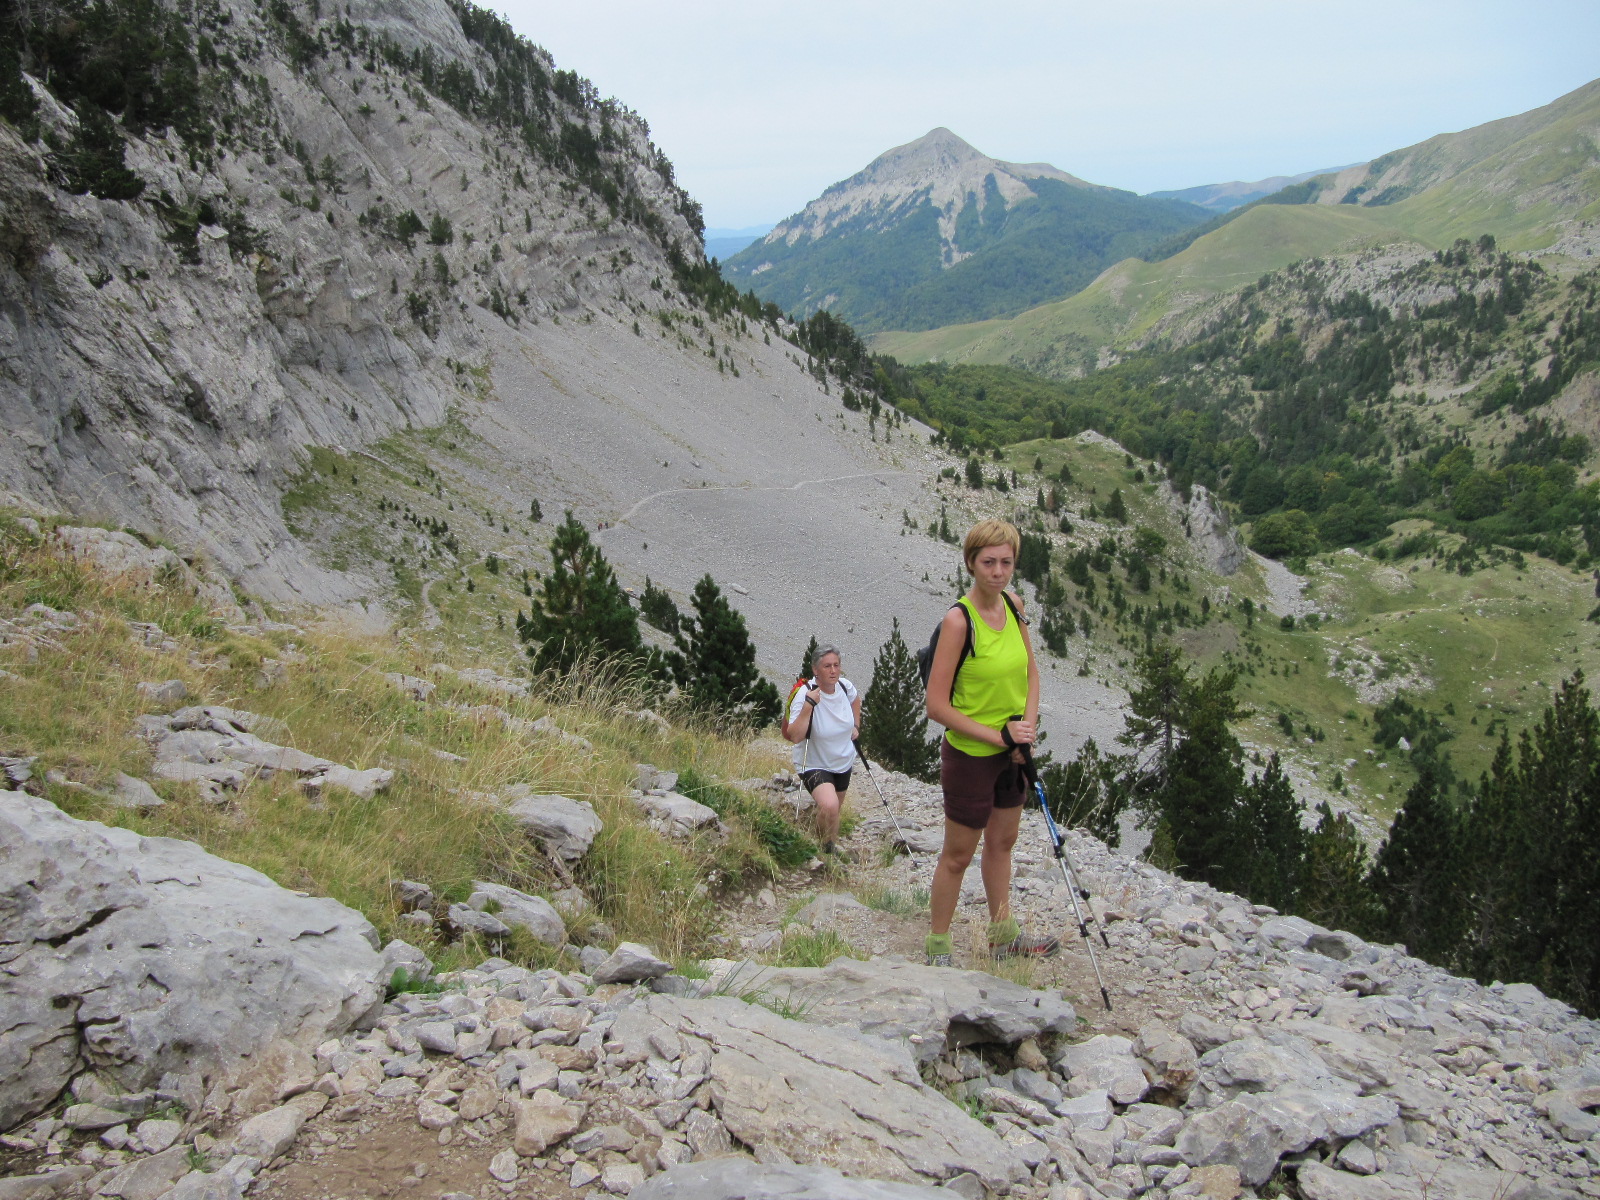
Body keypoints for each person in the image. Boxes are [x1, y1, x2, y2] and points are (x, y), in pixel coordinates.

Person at [923, 519, 1060, 966]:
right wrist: (997, 735)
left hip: (1011, 752)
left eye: (1006, 562)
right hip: (971, 755)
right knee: (958, 854)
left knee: (1003, 843)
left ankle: (1003, 936)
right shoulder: (958, 622)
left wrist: (1026, 728)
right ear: (970, 563)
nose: (998, 572)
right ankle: (938, 946)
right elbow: (936, 706)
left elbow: (1031, 673)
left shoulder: (1015, 606)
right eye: (988, 562)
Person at [782, 643, 860, 855]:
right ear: (815, 670)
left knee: (833, 811)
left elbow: (856, 700)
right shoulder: (805, 694)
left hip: (843, 761)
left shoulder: (845, 687)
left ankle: (827, 846)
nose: (833, 670)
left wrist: (856, 725)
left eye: (836, 665)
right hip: (813, 762)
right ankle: (823, 851)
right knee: (830, 806)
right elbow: (795, 736)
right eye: (827, 666)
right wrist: (809, 705)